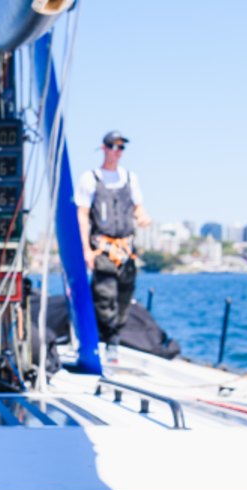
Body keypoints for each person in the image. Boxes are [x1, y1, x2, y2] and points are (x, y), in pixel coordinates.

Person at [75, 130, 151, 361]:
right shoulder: (90, 178)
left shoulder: (130, 178)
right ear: (104, 148)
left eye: (121, 148)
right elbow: (82, 215)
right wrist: (85, 250)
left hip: (126, 248)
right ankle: (108, 342)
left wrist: (143, 216)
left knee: (125, 297)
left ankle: (114, 339)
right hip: (102, 248)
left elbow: (139, 206)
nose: (117, 152)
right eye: (113, 146)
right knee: (104, 295)